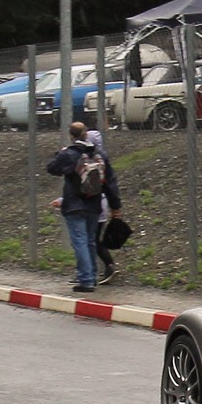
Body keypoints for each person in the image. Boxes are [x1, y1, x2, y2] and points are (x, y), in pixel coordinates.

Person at [46, 121, 121, 292]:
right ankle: (91, 276)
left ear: (71, 136)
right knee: (90, 241)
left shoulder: (70, 154)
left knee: (79, 242)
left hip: (74, 204)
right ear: (86, 134)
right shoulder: (100, 154)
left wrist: (61, 153)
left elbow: (52, 168)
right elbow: (110, 182)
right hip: (95, 204)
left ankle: (86, 280)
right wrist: (116, 206)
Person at [85, 129, 118, 285]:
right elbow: (111, 184)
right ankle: (105, 266)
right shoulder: (103, 158)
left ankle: (106, 265)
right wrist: (115, 206)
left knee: (91, 239)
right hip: (103, 203)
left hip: (94, 203)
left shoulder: (92, 159)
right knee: (93, 238)